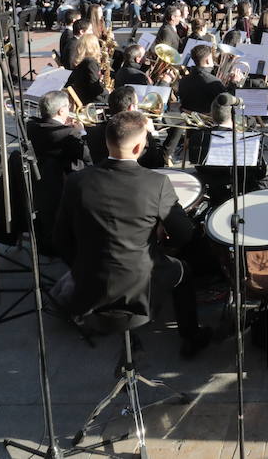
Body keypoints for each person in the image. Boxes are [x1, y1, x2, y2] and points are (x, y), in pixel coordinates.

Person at [53, 110, 212, 357]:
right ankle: (191, 336)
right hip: (138, 289)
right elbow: (185, 234)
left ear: (107, 143)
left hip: (88, 287)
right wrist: (158, 234)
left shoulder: (77, 182)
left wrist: (85, 268)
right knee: (184, 271)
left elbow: (61, 239)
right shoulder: (156, 183)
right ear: (139, 147)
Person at [26, 89, 90, 255]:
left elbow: (53, 131)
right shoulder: (70, 134)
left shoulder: (31, 126)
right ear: (61, 111)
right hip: (67, 183)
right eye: (68, 107)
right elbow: (88, 156)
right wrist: (82, 132)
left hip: (44, 183)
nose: (69, 110)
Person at [64, 33, 109, 107]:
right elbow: (95, 88)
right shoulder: (90, 62)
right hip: (91, 102)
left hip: (84, 98)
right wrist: (107, 91)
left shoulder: (81, 63)